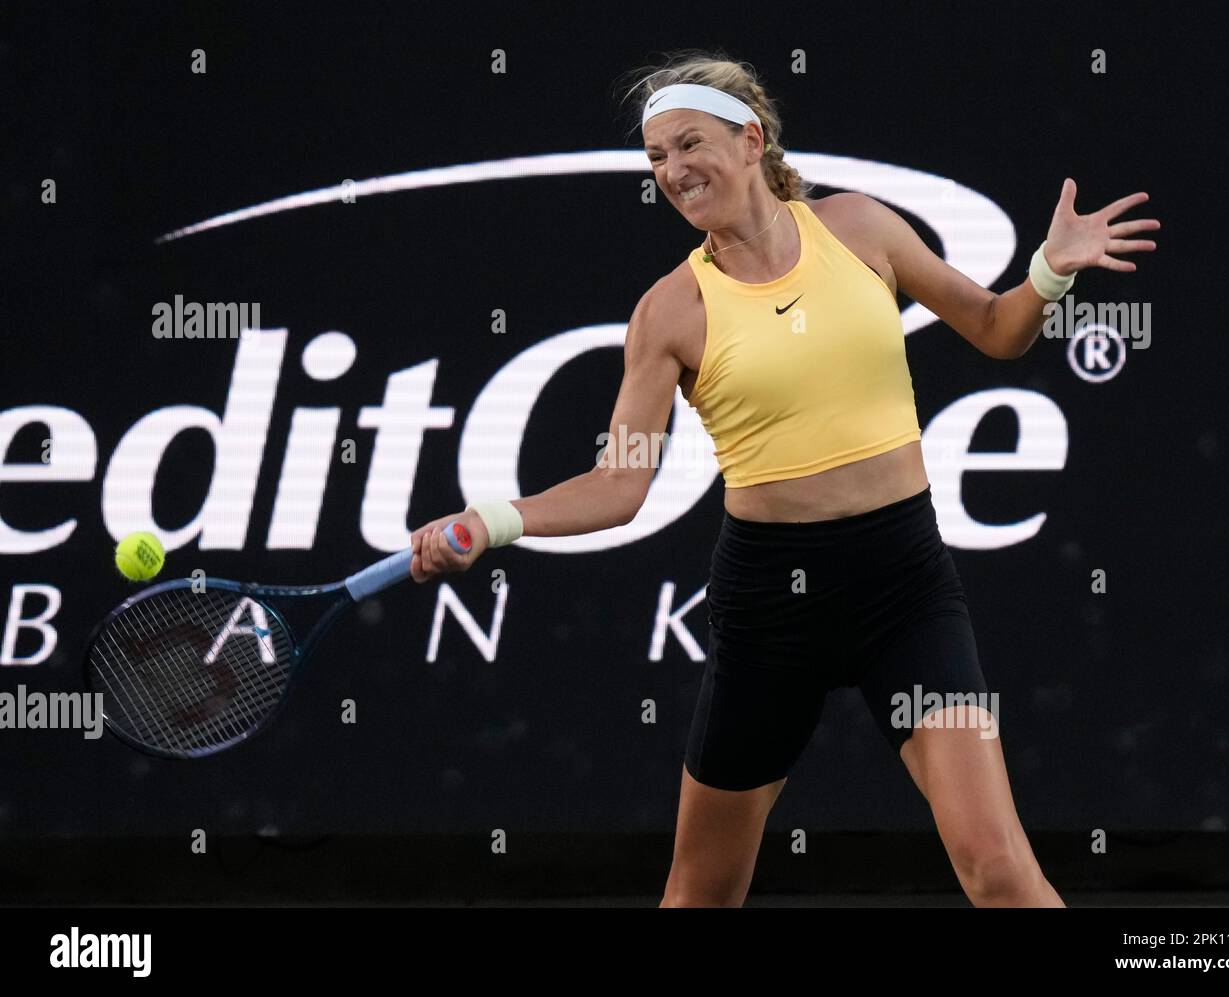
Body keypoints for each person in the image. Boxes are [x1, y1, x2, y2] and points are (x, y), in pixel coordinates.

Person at [408, 51, 1158, 908]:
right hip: (770, 610)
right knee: (701, 893)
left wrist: (1050, 271)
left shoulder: (862, 229)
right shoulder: (669, 313)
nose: (674, 171)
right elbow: (618, 485)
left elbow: (995, 329)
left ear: (751, 138)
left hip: (904, 588)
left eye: (690, 144)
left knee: (997, 864)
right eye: (656, 158)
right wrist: (490, 522)